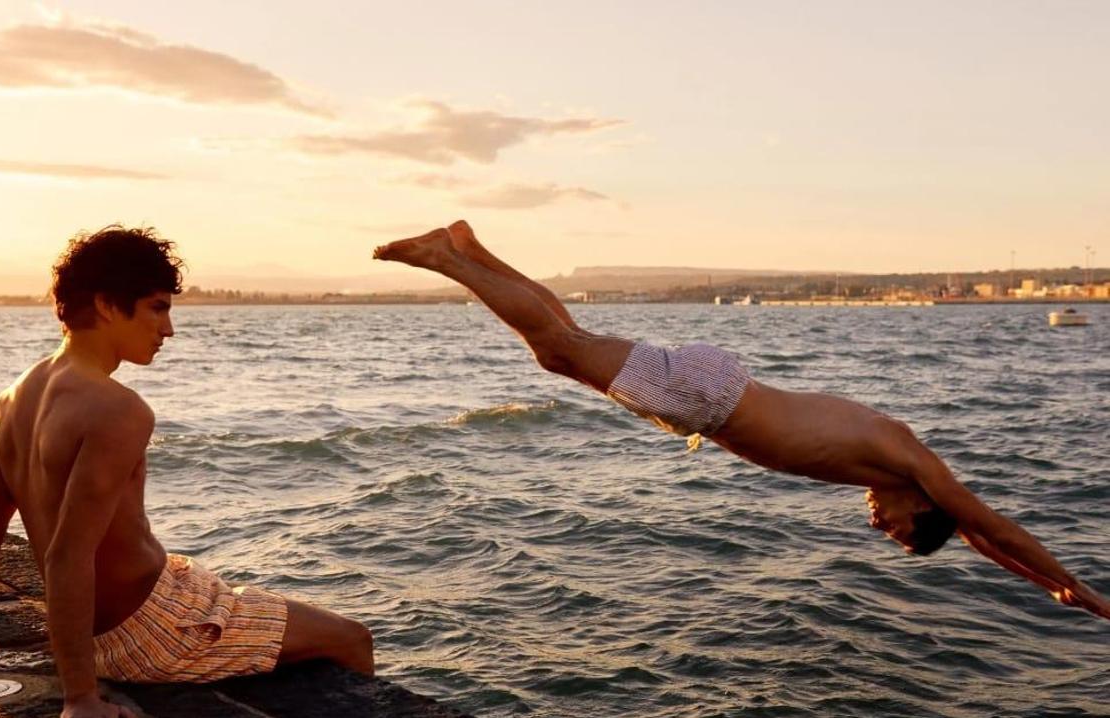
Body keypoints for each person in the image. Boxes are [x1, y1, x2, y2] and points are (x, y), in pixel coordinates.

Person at [374, 221, 1110, 622]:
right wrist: (1087, 588)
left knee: (564, 354)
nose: (876, 521)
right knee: (561, 348)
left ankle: (471, 249)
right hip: (711, 399)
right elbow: (993, 524)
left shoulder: (903, 469)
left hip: (711, 394)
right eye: (893, 526)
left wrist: (1050, 587)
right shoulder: (918, 465)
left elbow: (985, 540)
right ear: (924, 507)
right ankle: (451, 257)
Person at [0, 226, 374, 718]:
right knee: (351, 639)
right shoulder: (117, 409)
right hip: (152, 633)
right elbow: (69, 556)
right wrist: (80, 697)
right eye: (157, 309)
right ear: (108, 306)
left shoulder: (10, 398)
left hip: (128, 617)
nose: (169, 329)